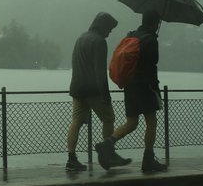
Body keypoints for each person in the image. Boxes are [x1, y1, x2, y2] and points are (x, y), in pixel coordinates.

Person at [95, 10, 168, 172]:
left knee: (132, 122)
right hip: (145, 87)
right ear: (155, 23)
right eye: (157, 23)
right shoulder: (151, 40)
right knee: (151, 122)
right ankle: (148, 160)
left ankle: (107, 143)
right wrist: (155, 88)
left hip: (129, 85)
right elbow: (151, 67)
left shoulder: (132, 35)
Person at [65, 12, 131, 171]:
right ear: (103, 26)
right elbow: (100, 72)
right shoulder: (99, 42)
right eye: (109, 28)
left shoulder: (81, 38)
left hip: (76, 88)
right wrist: (106, 95)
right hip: (93, 90)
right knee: (109, 118)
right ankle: (108, 155)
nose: (109, 32)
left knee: (76, 122)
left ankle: (71, 159)